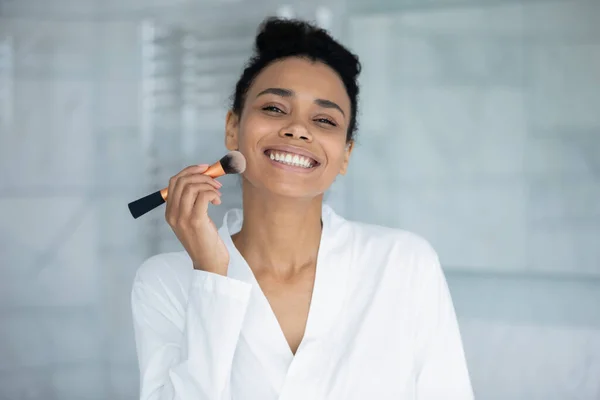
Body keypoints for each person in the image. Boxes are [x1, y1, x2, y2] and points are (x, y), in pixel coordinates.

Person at [131, 17, 473, 400]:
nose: (297, 129)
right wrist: (212, 277)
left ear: (344, 155)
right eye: (275, 109)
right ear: (233, 129)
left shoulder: (403, 264)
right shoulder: (165, 282)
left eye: (324, 119)